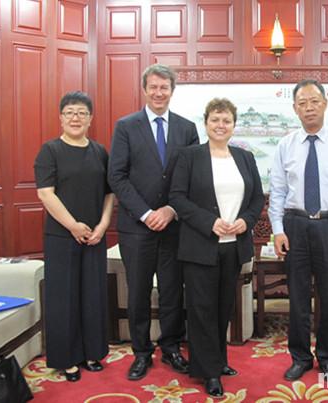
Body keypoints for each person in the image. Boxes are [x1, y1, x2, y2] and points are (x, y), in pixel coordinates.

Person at [268, 79, 328, 381]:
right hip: (295, 225)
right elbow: (278, 192)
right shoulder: (285, 145)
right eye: (302, 103)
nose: (309, 107)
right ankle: (300, 357)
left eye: (314, 101)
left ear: (325, 104)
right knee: (297, 299)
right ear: (294, 108)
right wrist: (278, 230)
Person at [108, 64, 199, 380]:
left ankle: (171, 347)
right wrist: (146, 213)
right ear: (144, 90)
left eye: (164, 87)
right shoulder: (125, 127)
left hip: (174, 227)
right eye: (153, 87)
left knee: (173, 291)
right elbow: (116, 176)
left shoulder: (187, 128)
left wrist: (171, 210)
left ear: (172, 91)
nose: (159, 93)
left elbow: (192, 177)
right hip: (137, 227)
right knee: (138, 291)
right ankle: (141, 352)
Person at [169, 98, 264, 398]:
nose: (220, 125)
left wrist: (246, 221)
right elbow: (177, 198)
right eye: (215, 120)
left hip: (233, 246)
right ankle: (208, 371)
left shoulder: (245, 157)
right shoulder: (189, 156)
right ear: (206, 123)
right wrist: (209, 222)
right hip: (200, 245)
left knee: (223, 307)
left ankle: (218, 359)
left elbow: (256, 198)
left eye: (226, 120)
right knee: (202, 310)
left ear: (234, 125)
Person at [34, 91, 114, 381]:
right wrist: (73, 226)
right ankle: (67, 359)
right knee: (64, 298)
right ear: (61, 117)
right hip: (61, 236)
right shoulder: (50, 151)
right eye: (70, 112)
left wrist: (103, 225)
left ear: (90, 118)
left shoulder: (100, 152)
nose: (76, 118)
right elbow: (46, 194)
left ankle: (92, 353)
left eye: (82, 112)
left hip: (95, 236)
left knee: (93, 295)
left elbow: (109, 193)